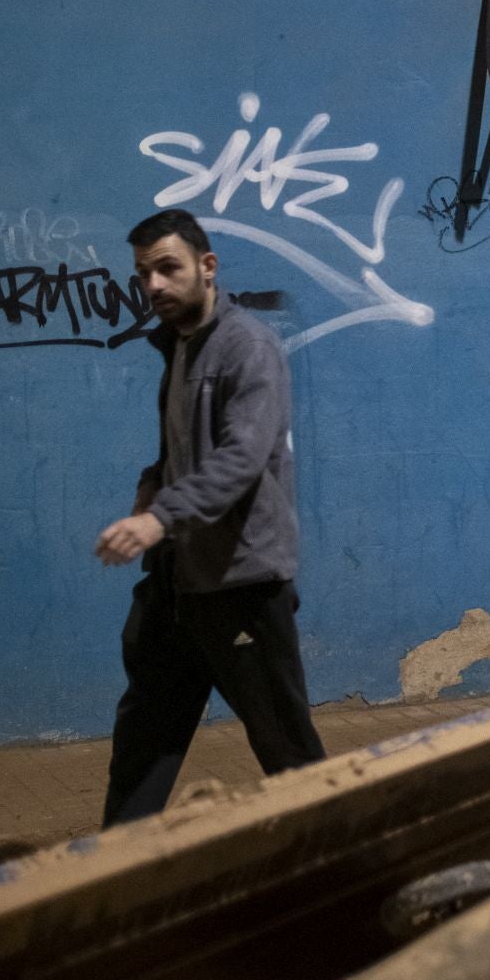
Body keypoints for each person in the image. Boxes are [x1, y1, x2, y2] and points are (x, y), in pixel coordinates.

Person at [93, 209, 325, 825]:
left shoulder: (248, 346)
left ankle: (343, 866)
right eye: (144, 274)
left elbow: (242, 458)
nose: (154, 286)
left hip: (241, 583)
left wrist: (159, 517)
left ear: (207, 266)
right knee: (144, 742)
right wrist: (151, 489)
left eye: (167, 269)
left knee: (286, 749)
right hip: (178, 582)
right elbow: (182, 450)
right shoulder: (179, 348)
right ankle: (114, 873)